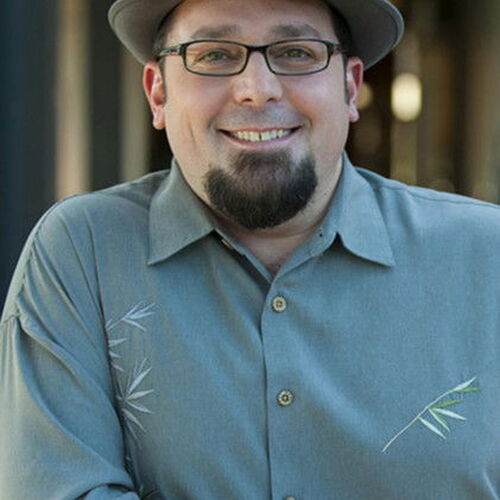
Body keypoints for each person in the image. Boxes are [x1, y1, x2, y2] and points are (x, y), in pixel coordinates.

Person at [1, 0, 500, 497]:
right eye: (214, 54)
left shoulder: (486, 257)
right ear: (158, 93)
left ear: (350, 87)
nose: (257, 90)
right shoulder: (85, 253)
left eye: (297, 52)